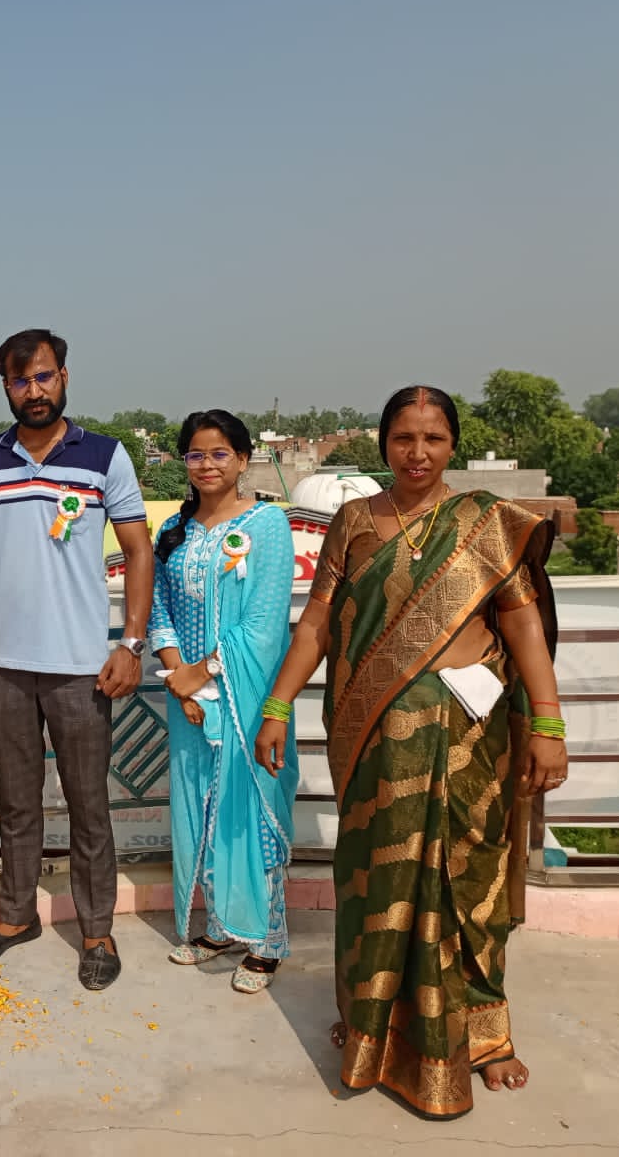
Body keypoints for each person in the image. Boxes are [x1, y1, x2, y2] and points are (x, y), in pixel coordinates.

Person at [254, 385, 567, 1119]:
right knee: (376, 884)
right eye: (403, 438)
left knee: (471, 883)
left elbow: (523, 626)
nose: (417, 453)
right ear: (383, 444)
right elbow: (317, 623)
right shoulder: (354, 521)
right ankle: (371, 1023)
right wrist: (277, 705)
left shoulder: (486, 523)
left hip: (467, 742)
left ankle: (483, 1036)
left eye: (432, 439)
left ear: (452, 445)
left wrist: (548, 725)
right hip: (375, 746)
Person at [0, 328, 153, 991]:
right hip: (4, 663)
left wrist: (131, 644)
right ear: (5, 386)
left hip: (83, 667)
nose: (34, 390)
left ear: (64, 377)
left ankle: (96, 930)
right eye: (20, 380)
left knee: (88, 804)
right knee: (17, 802)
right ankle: (15, 916)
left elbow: (138, 550)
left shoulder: (105, 456)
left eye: (44, 377)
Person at [148, 410, 299, 994]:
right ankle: (220, 927)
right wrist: (177, 678)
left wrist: (203, 674)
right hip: (186, 699)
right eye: (195, 454)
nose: (206, 465)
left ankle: (267, 940)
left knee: (251, 813)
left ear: (242, 459)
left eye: (219, 454)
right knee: (201, 813)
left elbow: (265, 623)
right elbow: (159, 611)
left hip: (247, 698)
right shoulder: (174, 530)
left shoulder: (267, 524)